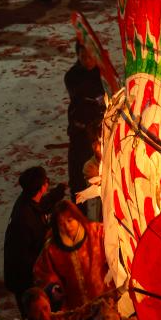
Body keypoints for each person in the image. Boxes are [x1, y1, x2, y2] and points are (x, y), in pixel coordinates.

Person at [3, 166, 66, 313]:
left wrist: (56, 194)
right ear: (42, 187)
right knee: (34, 314)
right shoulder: (24, 219)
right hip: (24, 279)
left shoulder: (27, 200)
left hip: (25, 273)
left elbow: (40, 206)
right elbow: (23, 257)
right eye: (46, 181)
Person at [34, 200, 109, 309]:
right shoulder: (52, 249)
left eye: (70, 220)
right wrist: (53, 289)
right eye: (61, 224)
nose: (67, 227)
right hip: (74, 308)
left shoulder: (98, 233)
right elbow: (42, 273)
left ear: (77, 217)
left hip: (105, 302)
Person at [65, 41, 105, 206]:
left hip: (100, 130)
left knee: (103, 174)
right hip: (80, 130)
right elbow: (83, 93)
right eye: (83, 57)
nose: (88, 60)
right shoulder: (72, 76)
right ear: (78, 56)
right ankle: (78, 210)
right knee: (77, 177)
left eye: (90, 56)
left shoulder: (103, 73)